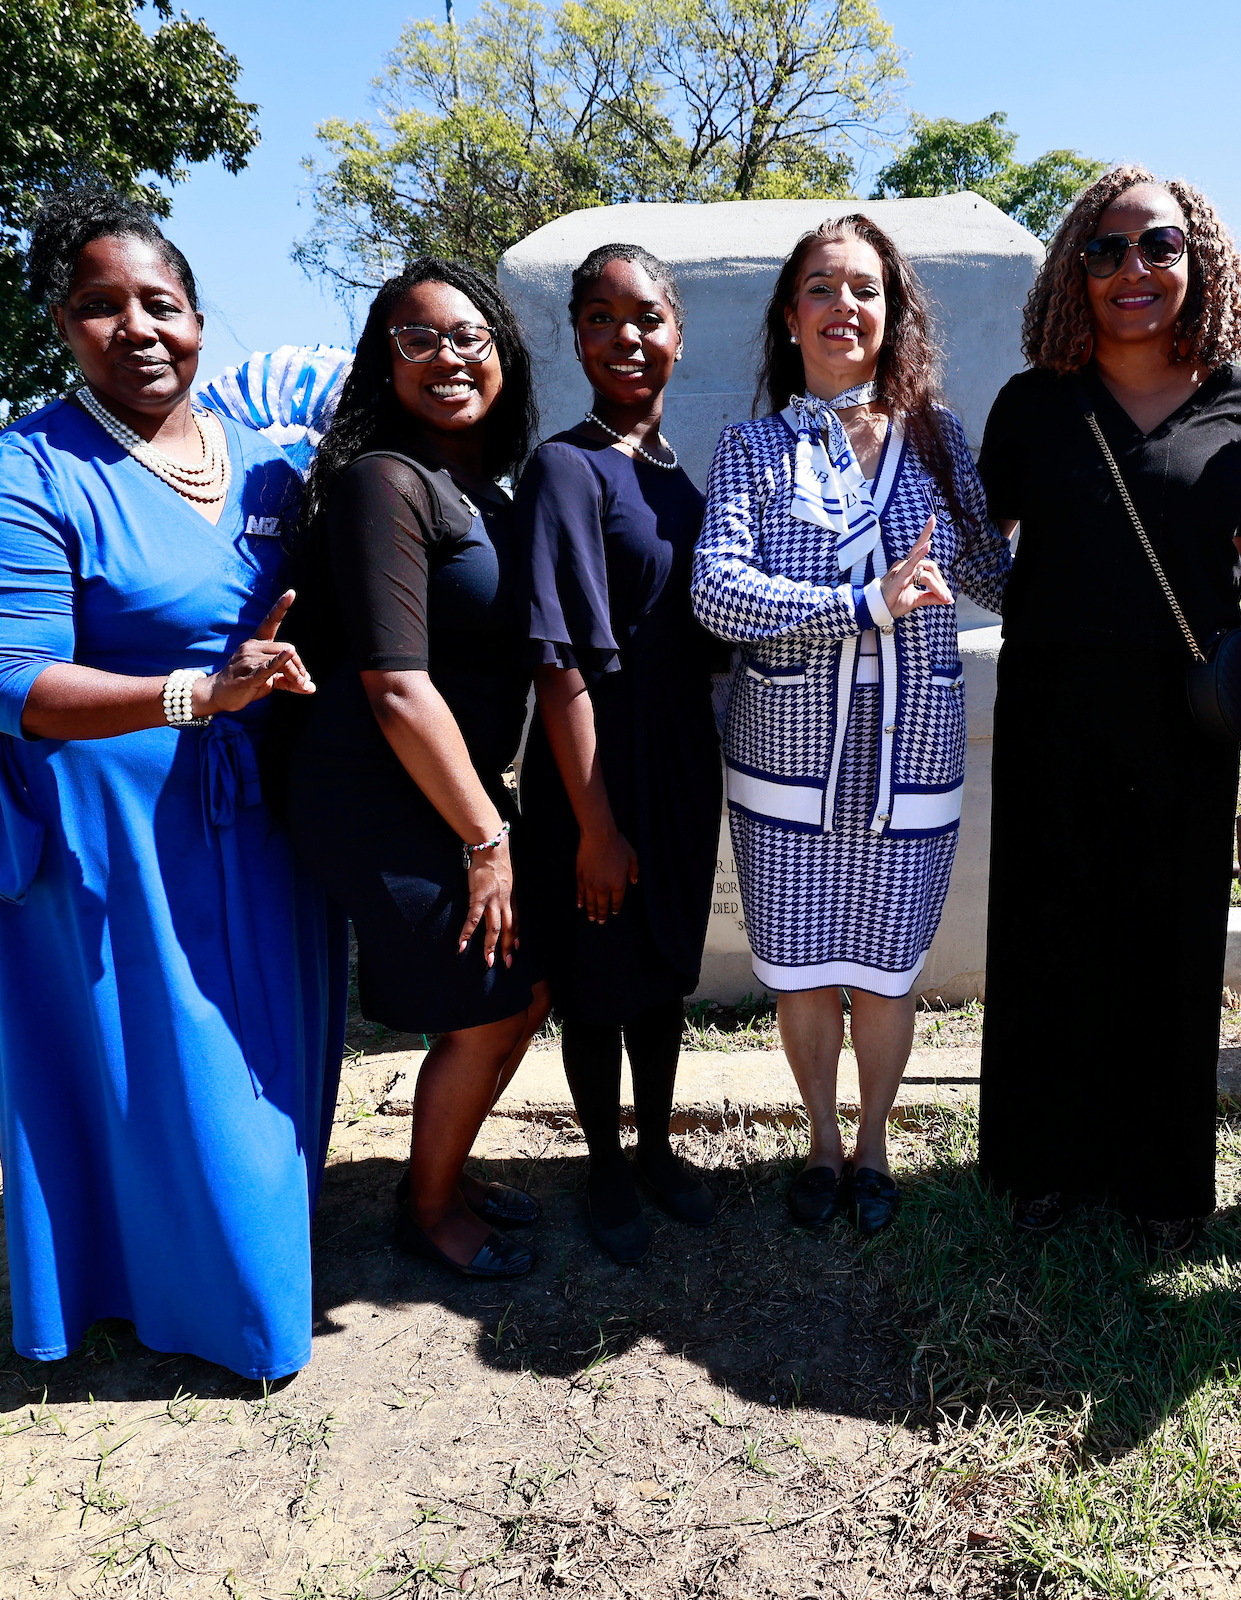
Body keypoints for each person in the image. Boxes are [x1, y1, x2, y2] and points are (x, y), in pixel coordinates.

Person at [0, 187, 342, 1381]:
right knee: (167, 1070)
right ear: (62, 326)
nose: (138, 327)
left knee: (263, 1047)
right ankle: (197, 1300)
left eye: (160, 302)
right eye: (100, 307)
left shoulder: (266, 465)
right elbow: (4, 677)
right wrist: (194, 695)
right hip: (107, 829)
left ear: (202, 319)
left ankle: (253, 1242)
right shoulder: (19, 474)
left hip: (251, 811)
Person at [975, 165, 1241, 1251]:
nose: (1133, 270)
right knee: (1049, 931)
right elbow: (980, 546)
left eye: (1158, 246)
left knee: (1173, 938)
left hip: (1185, 717)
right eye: (1105, 251)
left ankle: (1158, 1176)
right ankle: (1037, 1163)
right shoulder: (1031, 403)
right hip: (1053, 702)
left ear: (1199, 261)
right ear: (1074, 272)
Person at [690, 214, 1009, 1236]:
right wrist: (862, 604)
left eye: (865, 289)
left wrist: (1033, 514)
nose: (845, 308)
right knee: (800, 968)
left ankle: (874, 1143)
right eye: (822, 289)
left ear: (892, 313)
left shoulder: (938, 437)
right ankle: (820, 1144)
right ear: (790, 318)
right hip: (786, 760)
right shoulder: (754, 447)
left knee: (884, 967)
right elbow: (719, 595)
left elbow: (989, 583)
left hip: (912, 756)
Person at [279, 259, 552, 1281]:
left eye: (470, 337)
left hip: (450, 788)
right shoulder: (382, 482)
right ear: (382, 361)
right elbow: (398, 685)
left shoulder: (479, 486)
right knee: (488, 1000)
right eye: (419, 339)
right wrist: (488, 839)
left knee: (520, 993)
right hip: (376, 790)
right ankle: (427, 1209)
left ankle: (446, 1171)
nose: (449, 357)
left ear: (503, 354)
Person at [516, 245, 724, 1263]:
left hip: (685, 758)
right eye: (600, 319)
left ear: (678, 333)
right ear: (579, 337)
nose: (626, 338)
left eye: (645, 318)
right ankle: (602, 1158)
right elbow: (556, 660)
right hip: (594, 759)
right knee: (598, 974)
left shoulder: (690, 480)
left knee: (661, 970)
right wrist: (596, 824)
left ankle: (655, 1147)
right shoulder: (564, 464)